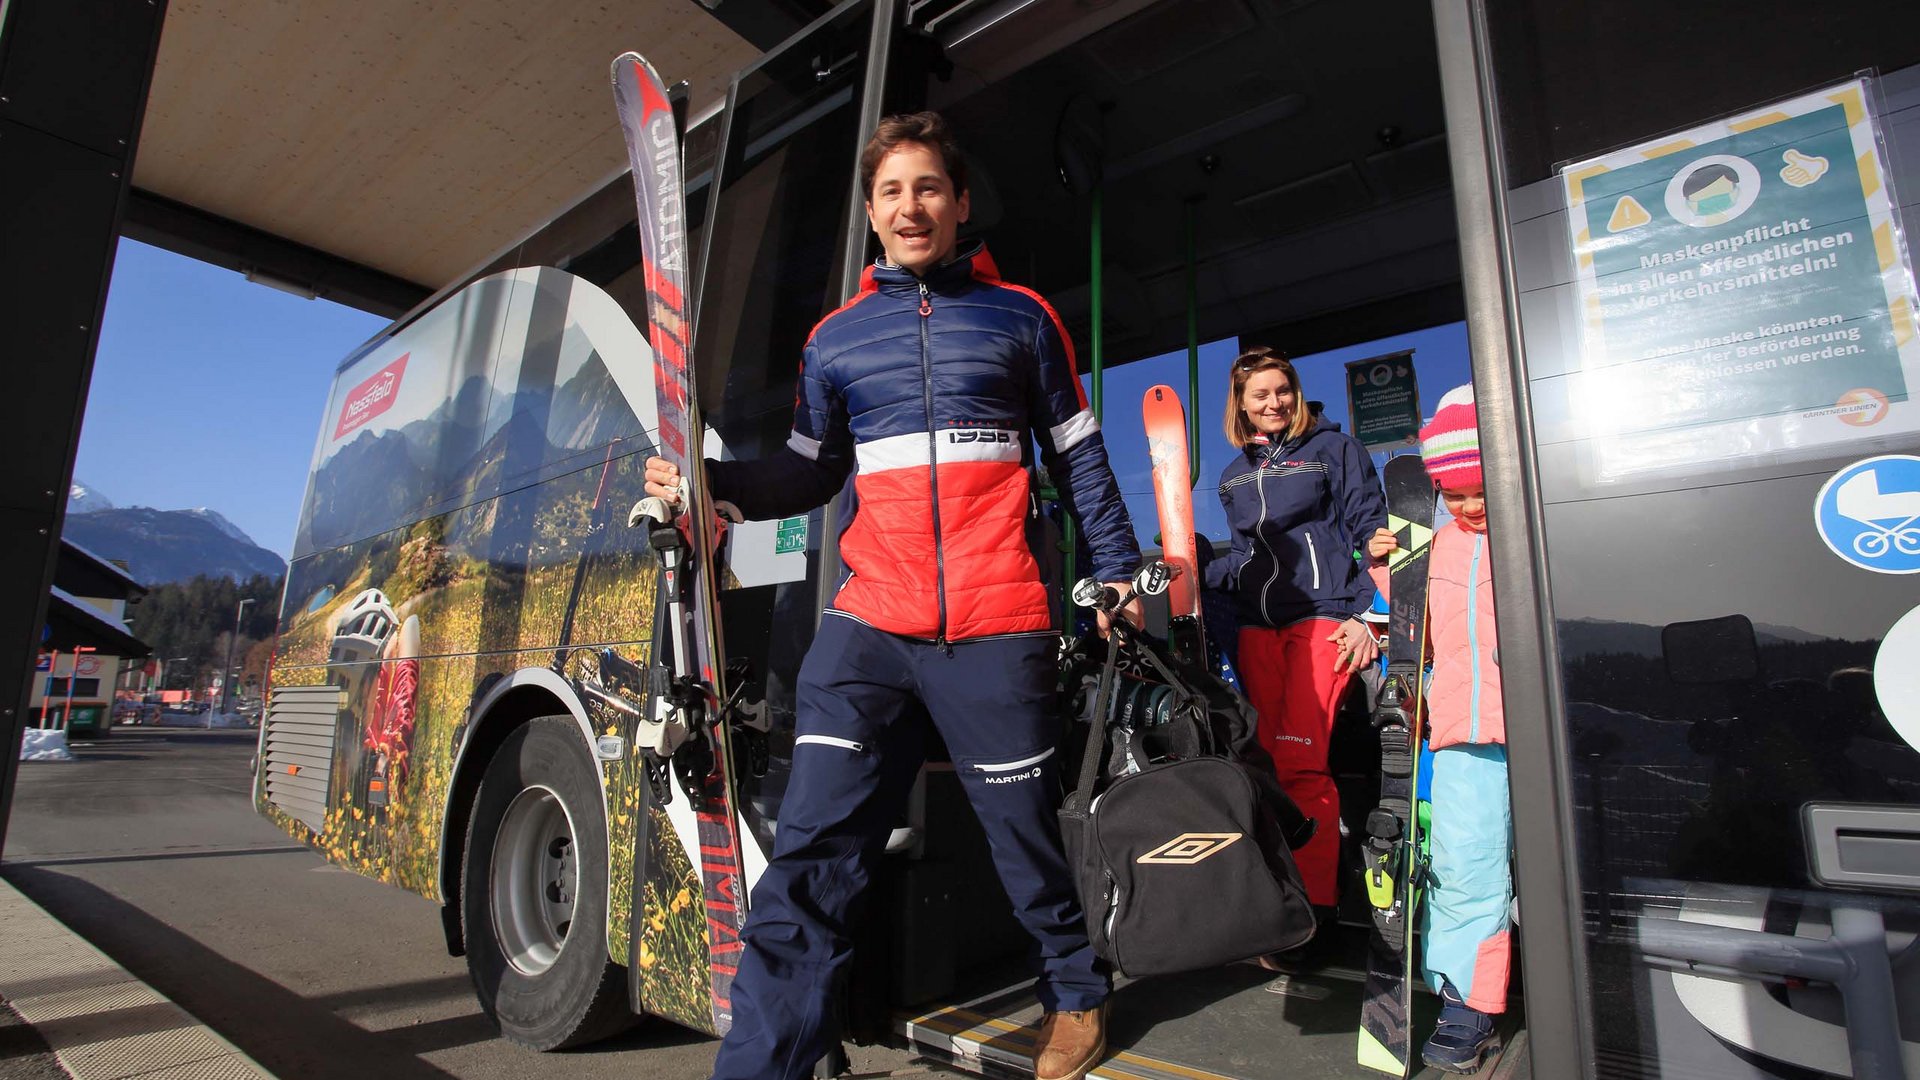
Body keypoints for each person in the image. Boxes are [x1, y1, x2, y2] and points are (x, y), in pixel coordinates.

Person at [642, 111, 1141, 1080]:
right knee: (810, 857)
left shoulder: (1024, 320)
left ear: (958, 203)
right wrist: (717, 489)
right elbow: (808, 471)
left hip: (996, 623)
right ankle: (761, 1066)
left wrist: (1113, 570)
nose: (910, 207)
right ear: (873, 215)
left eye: (927, 189)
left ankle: (1076, 995)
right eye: (891, 193)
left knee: (1025, 840)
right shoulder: (836, 341)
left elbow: (1079, 456)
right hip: (870, 626)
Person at [1204, 346, 1391, 919]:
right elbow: (1241, 559)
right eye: (1259, 394)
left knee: (1302, 759)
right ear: (1240, 403)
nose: (1274, 402)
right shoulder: (1234, 476)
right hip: (1259, 626)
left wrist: (1372, 618)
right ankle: (1273, 898)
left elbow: (1372, 530)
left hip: (1323, 618)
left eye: (1281, 390)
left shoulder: (1335, 449)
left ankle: (1314, 906)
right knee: (1264, 763)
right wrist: (1186, 569)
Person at [1407, 385, 1512, 1073]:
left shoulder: (1538, 531)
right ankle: (1468, 1003)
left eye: (1483, 489)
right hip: (1464, 732)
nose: (1472, 504)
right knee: (1464, 863)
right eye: (1458, 491)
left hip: (1540, 726)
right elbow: (1403, 626)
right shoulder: (1431, 547)